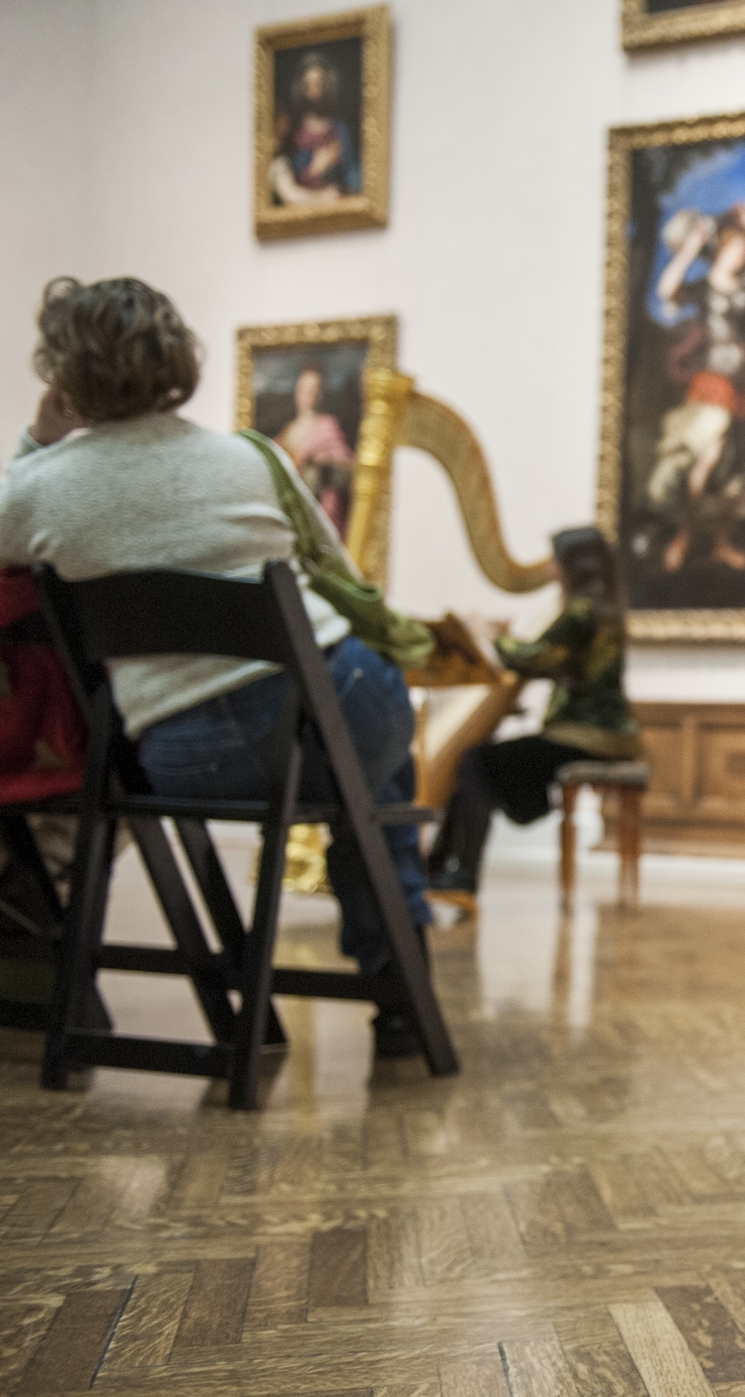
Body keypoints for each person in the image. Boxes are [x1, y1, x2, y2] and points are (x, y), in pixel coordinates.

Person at [0, 276, 429, 1056]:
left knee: (362, 774)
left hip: (181, 762)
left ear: (62, 374)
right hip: (330, 717)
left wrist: (39, 443)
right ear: (177, 358)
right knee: (374, 775)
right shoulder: (251, 458)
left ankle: (390, 980)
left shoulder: (38, 489)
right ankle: (401, 984)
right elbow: (336, 572)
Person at [426, 527, 639, 908]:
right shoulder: (603, 609)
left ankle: (461, 874)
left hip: (585, 736)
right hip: (606, 735)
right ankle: (439, 866)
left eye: (557, 560)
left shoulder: (581, 613)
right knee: (480, 761)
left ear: (575, 565)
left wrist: (484, 634)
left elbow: (532, 658)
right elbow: (554, 663)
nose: (551, 568)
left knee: (476, 761)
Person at [647, 202, 745, 573]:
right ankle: (683, 536)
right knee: (708, 458)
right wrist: (690, 250)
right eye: (737, 247)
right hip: (715, 384)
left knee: (737, 467)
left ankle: (722, 543)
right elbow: (666, 290)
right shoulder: (702, 288)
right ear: (720, 250)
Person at [273, 360, 357, 534]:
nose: (310, 393)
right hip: (291, 513)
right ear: (297, 391)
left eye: (315, 388)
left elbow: (348, 466)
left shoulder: (327, 426)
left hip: (319, 513)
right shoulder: (288, 431)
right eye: (305, 388)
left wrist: (323, 461)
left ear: (321, 393)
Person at [269, 51, 360, 206]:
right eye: (308, 85)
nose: (314, 92)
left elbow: (352, 175)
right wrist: (315, 169)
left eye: (318, 84)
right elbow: (288, 188)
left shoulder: (340, 129)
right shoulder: (293, 135)